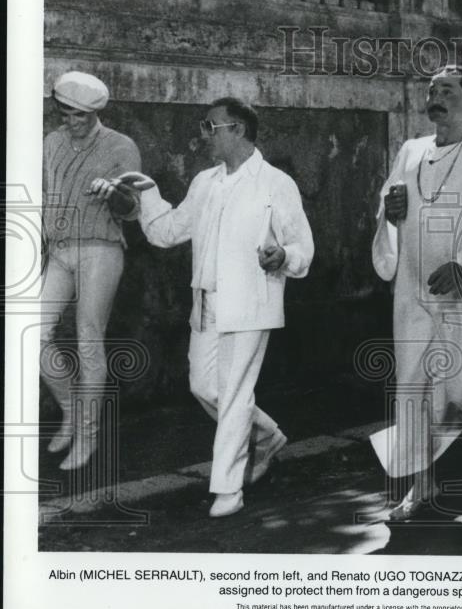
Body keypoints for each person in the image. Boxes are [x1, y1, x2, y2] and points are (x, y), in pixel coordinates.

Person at [91, 97, 314, 517]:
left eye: (211, 127)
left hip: (251, 303)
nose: (203, 135)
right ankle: (267, 438)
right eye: (204, 126)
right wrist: (149, 195)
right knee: (204, 387)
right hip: (206, 303)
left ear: (240, 130)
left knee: (233, 394)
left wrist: (283, 255)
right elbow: (167, 231)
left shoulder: (275, 183)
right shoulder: (205, 182)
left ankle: (229, 489)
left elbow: (303, 246)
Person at [370, 64, 462, 520]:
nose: (437, 97)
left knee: (457, 386)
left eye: (447, 90)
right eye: (431, 89)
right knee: (411, 385)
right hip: (412, 288)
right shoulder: (411, 149)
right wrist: (388, 211)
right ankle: (419, 485)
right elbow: (388, 199)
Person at [41, 71, 142, 471]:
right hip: (60, 251)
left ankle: (88, 435)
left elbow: (133, 211)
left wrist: (115, 193)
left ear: (95, 113)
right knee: (30, 332)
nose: (70, 121)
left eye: (78, 115)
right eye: (64, 113)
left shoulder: (121, 146)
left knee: (88, 338)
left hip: (101, 250)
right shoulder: (52, 142)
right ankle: (70, 411)